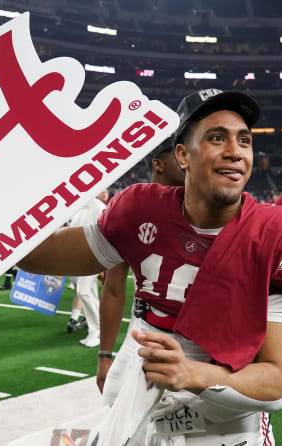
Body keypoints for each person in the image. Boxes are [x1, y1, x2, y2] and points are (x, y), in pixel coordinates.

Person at [16, 89, 282, 445]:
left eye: (244, 140)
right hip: (138, 395)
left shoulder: (280, 235)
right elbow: (33, 253)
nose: (235, 152)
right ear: (183, 155)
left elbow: (278, 383)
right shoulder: (141, 209)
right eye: (216, 138)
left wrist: (191, 373)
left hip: (222, 419)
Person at [97, 136, 185, 393]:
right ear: (159, 164)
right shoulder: (132, 209)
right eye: (178, 152)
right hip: (142, 336)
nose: (187, 156)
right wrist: (104, 354)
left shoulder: (210, 205)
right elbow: (113, 287)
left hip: (201, 347)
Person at [66, 192, 108, 347]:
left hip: (93, 255)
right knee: (88, 292)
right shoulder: (75, 207)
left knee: (83, 291)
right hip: (77, 256)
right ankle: (95, 330)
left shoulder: (98, 206)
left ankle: (96, 331)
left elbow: (107, 230)